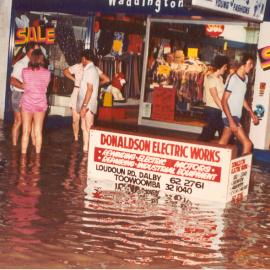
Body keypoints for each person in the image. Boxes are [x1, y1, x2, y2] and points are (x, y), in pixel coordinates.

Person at [218, 53, 259, 155]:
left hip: (235, 116)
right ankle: (241, 171)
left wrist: (251, 113)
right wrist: (231, 120)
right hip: (231, 116)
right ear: (242, 65)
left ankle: (215, 166)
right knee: (247, 144)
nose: (252, 66)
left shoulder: (245, 79)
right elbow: (224, 101)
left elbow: (242, 99)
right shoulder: (233, 78)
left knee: (222, 143)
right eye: (250, 64)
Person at [63, 53, 109, 141]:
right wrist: (74, 80)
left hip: (87, 94)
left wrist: (96, 85)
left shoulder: (94, 69)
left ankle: (86, 143)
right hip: (77, 92)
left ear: (85, 58)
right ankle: (76, 138)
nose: (82, 60)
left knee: (87, 122)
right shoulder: (78, 66)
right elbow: (65, 71)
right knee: (75, 119)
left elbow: (107, 79)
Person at [20, 49, 51, 154]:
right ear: (41, 59)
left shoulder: (24, 71)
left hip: (27, 103)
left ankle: (23, 157)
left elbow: (26, 85)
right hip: (40, 104)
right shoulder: (47, 73)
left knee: (25, 132)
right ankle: (37, 157)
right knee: (38, 131)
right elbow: (45, 87)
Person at [10, 42, 39, 146]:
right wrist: (23, 86)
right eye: (36, 49)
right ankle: (14, 146)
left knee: (31, 122)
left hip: (30, 96)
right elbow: (12, 80)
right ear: (30, 50)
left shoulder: (35, 63)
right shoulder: (21, 64)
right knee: (19, 121)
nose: (39, 52)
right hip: (19, 95)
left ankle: (31, 147)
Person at [199, 55, 229, 142]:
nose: (226, 68)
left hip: (218, 111)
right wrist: (225, 110)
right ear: (220, 66)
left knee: (222, 135)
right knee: (207, 136)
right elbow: (215, 97)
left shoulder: (220, 78)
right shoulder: (210, 78)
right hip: (212, 111)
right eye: (225, 66)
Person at [77, 49, 100, 153]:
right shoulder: (90, 69)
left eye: (82, 59)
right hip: (86, 103)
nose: (81, 61)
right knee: (84, 127)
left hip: (88, 104)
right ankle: (85, 149)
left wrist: (84, 106)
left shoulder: (91, 71)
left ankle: (89, 152)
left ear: (84, 58)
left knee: (88, 128)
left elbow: (89, 90)